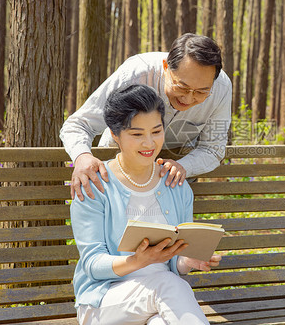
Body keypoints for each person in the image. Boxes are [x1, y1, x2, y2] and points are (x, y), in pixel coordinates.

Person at [70, 84, 221, 325]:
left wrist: (188, 260)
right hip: (105, 302)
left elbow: (175, 262)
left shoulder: (176, 184)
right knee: (168, 284)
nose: (149, 143)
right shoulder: (94, 185)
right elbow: (92, 264)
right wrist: (137, 261)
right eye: (137, 134)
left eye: (157, 131)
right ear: (115, 134)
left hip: (162, 301)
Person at [61, 33, 232, 201]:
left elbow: (212, 148)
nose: (188, 99)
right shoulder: (136, 73)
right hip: (115, 176)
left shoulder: (222, 88)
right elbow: (78, 125)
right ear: (166, 67)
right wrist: (82, 157)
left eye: (201, 92)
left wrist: (183, 166)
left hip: (171, 185)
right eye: (182, 87)